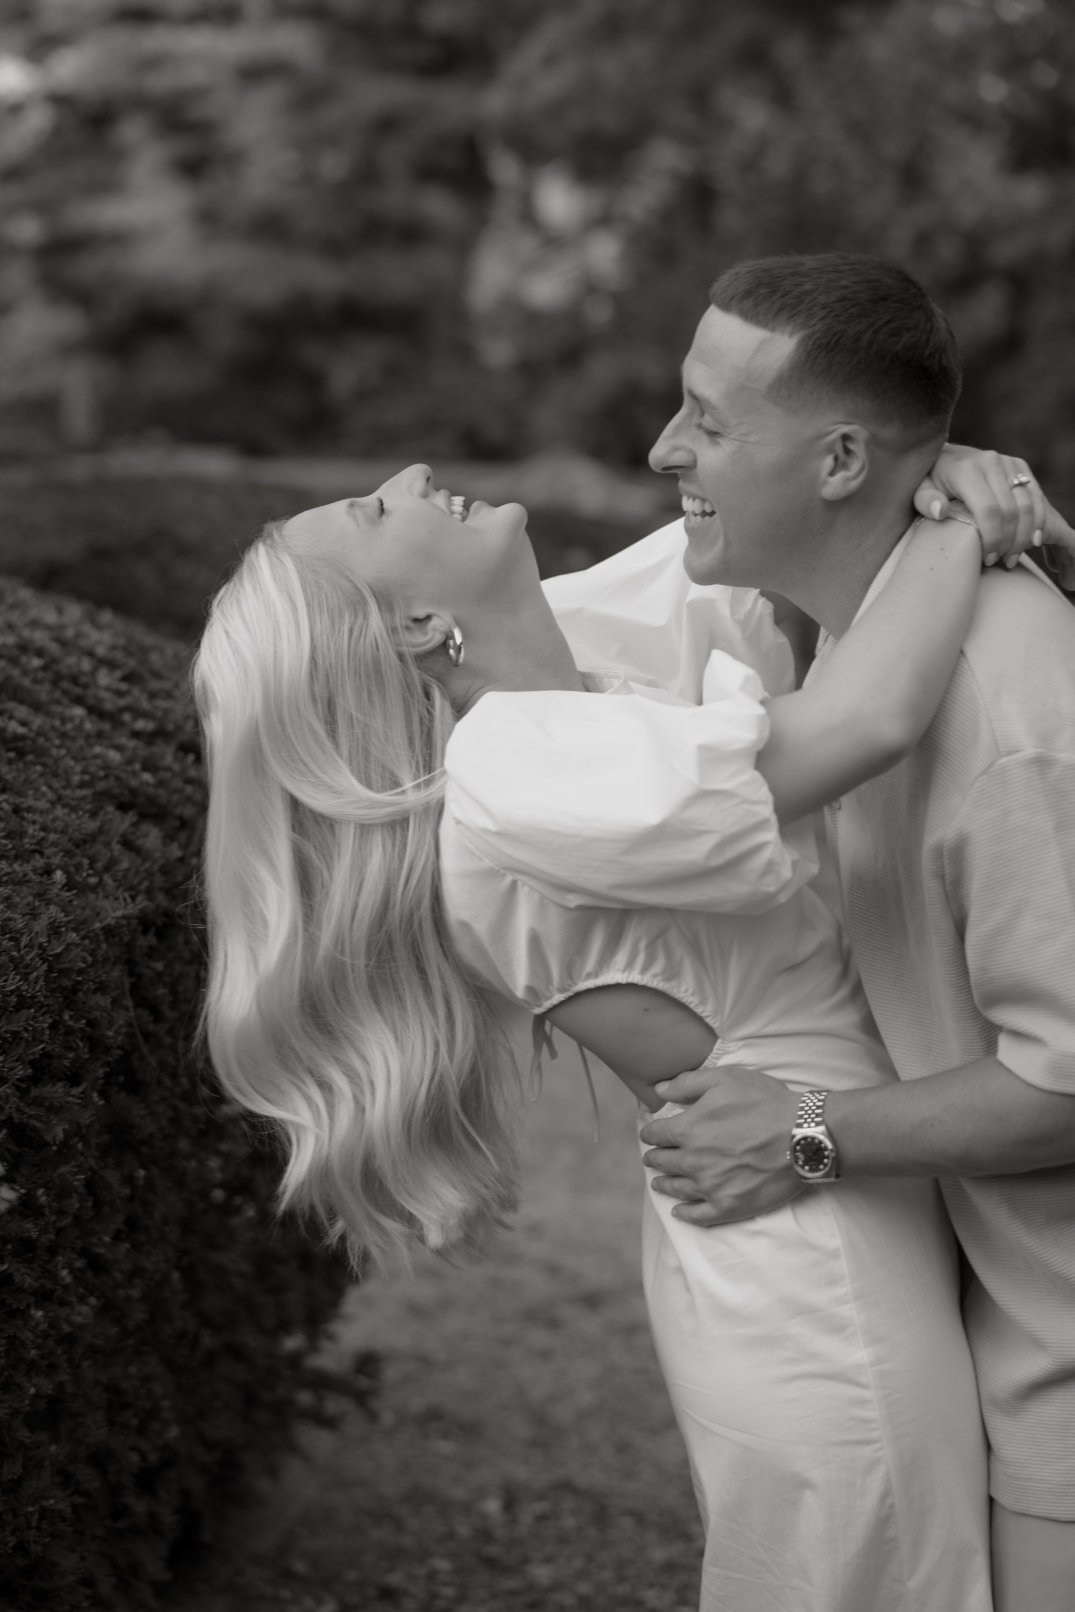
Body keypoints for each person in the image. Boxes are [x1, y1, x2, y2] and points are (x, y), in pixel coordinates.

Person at [193, 452, 1050, 1611]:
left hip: (823, 1190)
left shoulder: (543, 683)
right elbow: (870, 715)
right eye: (371, 510)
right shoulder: (513, 773)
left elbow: (762, 550)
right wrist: (961, 522)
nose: (405, 471)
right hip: (812, 1237)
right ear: (415, 626)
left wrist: (925, 465)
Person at [546, 253, 1075, 1612]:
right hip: (996, 1332)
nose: (666, 448)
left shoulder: (1007, 708)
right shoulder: (835, 648)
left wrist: (806, 1135)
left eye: (708, 422)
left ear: (837, 459)